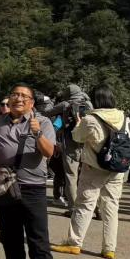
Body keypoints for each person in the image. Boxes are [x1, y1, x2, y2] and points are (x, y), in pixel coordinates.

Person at [0, 84, 58, 259]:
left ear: (31, 103)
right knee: (10, 237)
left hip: (33, 188)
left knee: (39, 239)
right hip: (5, 187)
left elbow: (49, 153)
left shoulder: (43, 122)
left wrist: (37, 133)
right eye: (14, 94)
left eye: (23, 96)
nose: (18, 98)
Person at [51, 85, 128, 259]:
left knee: (85, 206)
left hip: (93, 168)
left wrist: (79, 122)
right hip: (116, 169)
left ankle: (74, 243)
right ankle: (109, 248)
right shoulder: (123, 116)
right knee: (111, 208)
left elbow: (78, 137)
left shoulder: (91, 119)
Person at [44, 83, 92, 213]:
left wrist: (50, 103)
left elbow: (47, 112)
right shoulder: (88, 104)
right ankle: (94, 207)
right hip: (87, 145)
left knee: (71, 177)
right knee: (88, 177)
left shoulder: (65, 104)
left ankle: (73, 208)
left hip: (70, 145)